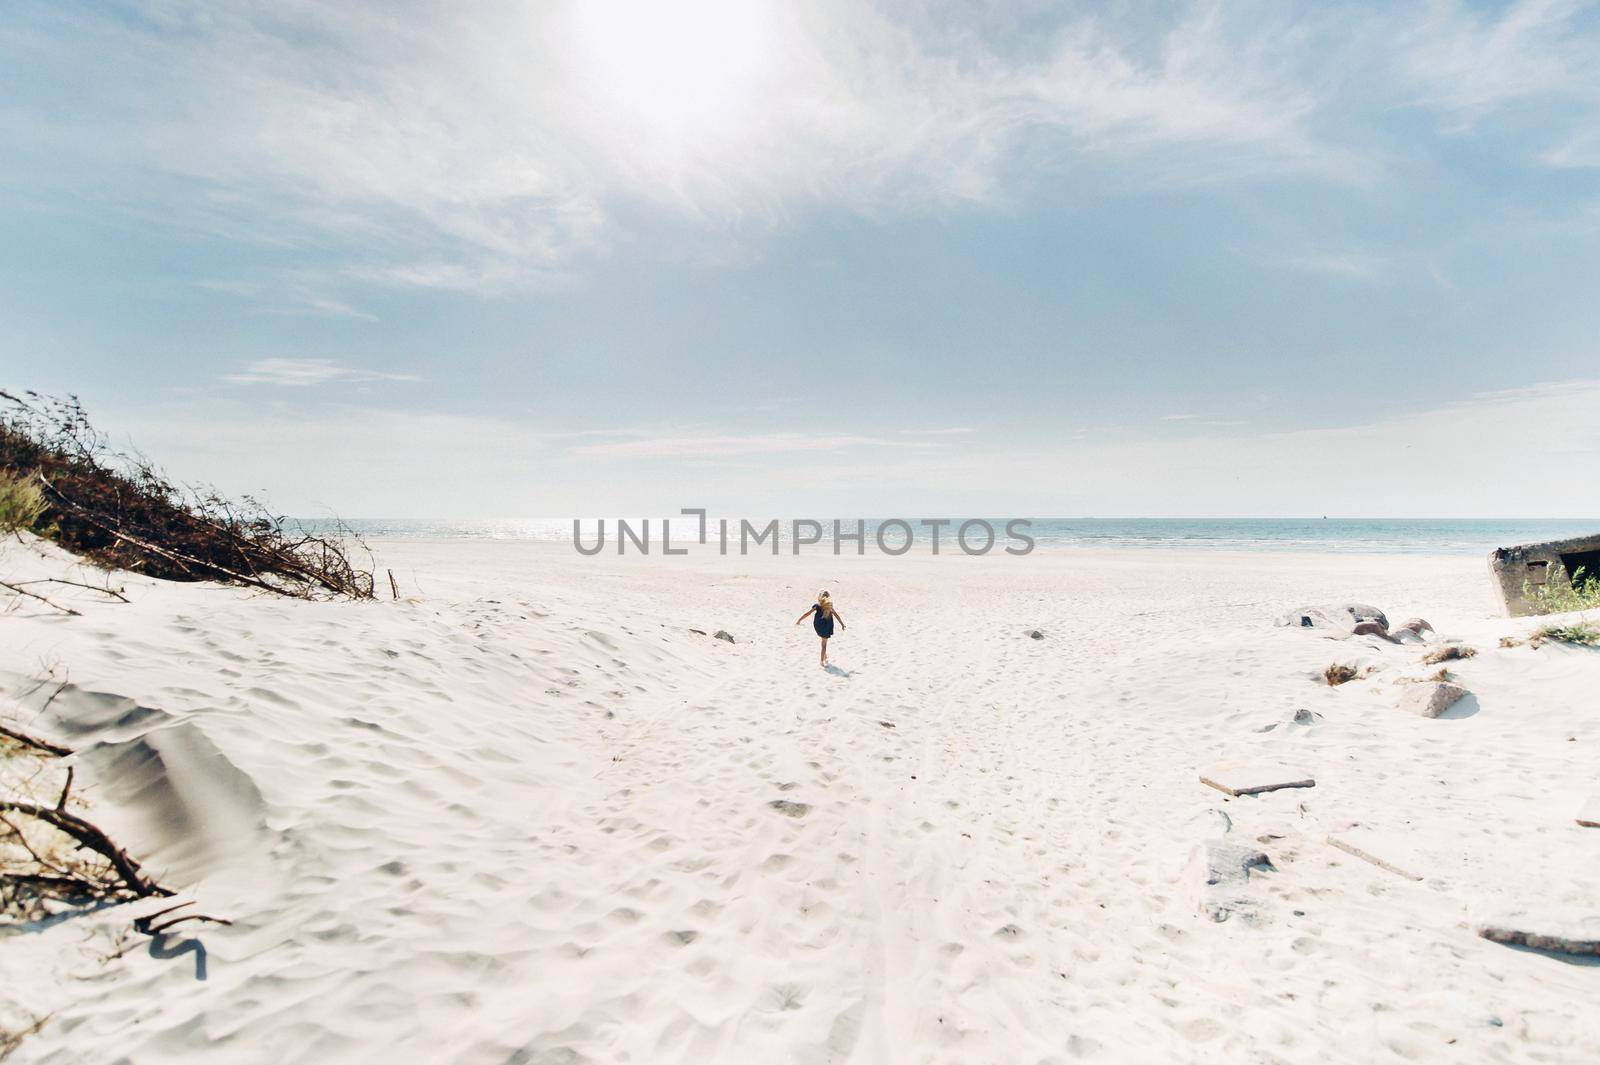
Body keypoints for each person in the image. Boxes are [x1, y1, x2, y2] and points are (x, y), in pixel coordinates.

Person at [794, 590, 845, 667]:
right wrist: (842, 624)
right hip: (826, 627)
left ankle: (825, 656)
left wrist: (799, 620)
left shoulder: (817, 606)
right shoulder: (829, 607)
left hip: (818, 626)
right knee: (824, 645)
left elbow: (808, 613)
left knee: (823, 643)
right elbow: (837, 616)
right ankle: (822, 661)